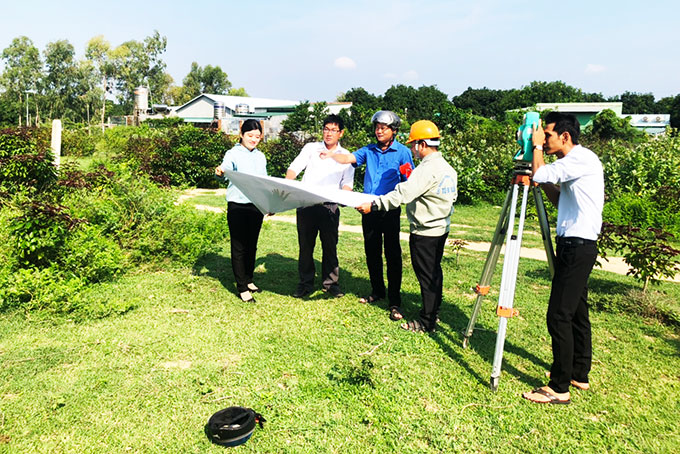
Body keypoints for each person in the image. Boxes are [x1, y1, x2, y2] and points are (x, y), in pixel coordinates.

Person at [522, 112, 604, 405]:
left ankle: (558, 388)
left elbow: (542, 173)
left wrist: (535, 148)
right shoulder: (578, 163)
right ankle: (578, 374)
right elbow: (559, 198)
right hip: (578, 244)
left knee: (558, 314)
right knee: (577, 311)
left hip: (576, 246)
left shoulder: (578, 159)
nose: (544, 138)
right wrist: (539, 177)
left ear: (564, 136)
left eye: (547, 134)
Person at [356, 120, 457, 332]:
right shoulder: (447, 168)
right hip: (441, 228)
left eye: (413, 144)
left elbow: (402, 193)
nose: (412, 149)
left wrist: (374, 204)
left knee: (426, 276)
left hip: (425, 231)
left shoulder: (426, 169)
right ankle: (434, 312)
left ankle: (426, 321)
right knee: (434, 272)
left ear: (422, 144)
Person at [321, 110, 413, 320]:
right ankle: (377, 291)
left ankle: (394, 300)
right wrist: (332, 155)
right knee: (372, 252)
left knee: (392, 255)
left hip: (389, 210)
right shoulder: (369, 151)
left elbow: (409, 179)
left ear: (394, 131)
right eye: (377, 127)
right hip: (368, 209)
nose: (379, 131)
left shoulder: (403, 153)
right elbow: (349, 157)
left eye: (384, 128)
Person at [285, 114, 355, 299]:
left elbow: (347, 182)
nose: (329, 133)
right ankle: (305, 284)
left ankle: (331, 283)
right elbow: (294, 168)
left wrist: (345, 196)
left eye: (333, 130)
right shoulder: (311, 148)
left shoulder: (346, 155)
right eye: (326, 129)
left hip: (329, 206)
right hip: (306, 204)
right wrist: (285, 186)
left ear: (341, 133)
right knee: (306, 246)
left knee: (330, 246)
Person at [215, 119, 268, 303]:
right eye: (250, 136)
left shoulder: (261, 157)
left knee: (252, 244)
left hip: (256, 206)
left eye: (257, 137)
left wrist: (268, 203)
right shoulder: (232, 154)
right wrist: (220, 172)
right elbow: (225, 171)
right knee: (239, 246)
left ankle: (249, 279)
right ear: (241, 135)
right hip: (238, 206)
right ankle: (242, 287)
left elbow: (265, 182)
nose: (254, 140)